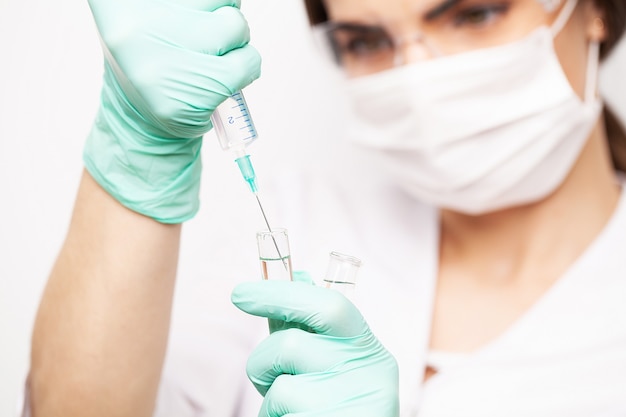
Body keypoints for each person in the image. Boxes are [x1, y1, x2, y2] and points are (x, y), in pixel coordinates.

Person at [25, 0, 626, 415]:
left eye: (475, 13)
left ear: (595, 10)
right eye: (365, 40)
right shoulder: (293, 223)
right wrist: (138, 144)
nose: (420, 79)